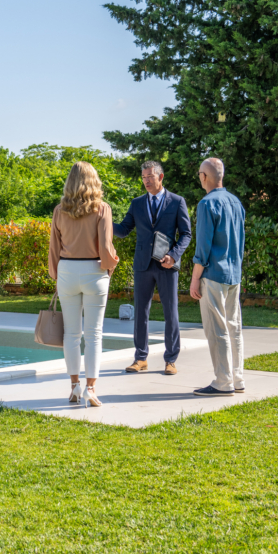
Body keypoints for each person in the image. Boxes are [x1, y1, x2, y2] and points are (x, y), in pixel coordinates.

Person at [48, 161, 119, 407]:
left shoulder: (59, 210)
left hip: (67, 269)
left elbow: (54, 248)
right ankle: (91, 389)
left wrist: (56, 274)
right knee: (94, 334)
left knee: (71, 334)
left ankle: (74, 386)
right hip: (94, 270)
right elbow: (106, 247)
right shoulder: (102, 209)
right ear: (94, 180)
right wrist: (111, 264)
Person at [113, 160, 192, 375]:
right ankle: (140, 358)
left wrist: (174, 256)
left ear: (161, 177)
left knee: (171, 312)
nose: (146, 181)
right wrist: (102, 220)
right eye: (143, 177)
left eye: (150, 176)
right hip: (142, 265)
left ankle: (171, 360)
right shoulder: (137, 203)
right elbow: (123, 229)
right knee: (141, 312)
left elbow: (186, 234)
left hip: (167, 266)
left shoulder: (177, 201)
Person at [189, 158, 246, 396]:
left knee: (217, 329)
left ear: (204, 177)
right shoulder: (236, 202)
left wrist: (194, 279)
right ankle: (237, 378)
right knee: (234, 327)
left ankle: (223, 382)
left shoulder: (206, 204)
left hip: (213, 274)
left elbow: (202, 247)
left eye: (199, 174)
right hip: (234, 274)